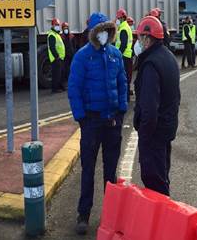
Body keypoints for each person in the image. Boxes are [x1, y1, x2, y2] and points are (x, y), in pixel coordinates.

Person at [68, 12, 128, 236]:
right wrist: (81, 117)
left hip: (112, 120)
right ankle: (83, 214)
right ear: (93, 33)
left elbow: (122, 82)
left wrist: (121, 110)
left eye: (107, 31)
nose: (104, 35)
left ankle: (110, 216)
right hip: (91, 121)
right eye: (99, 31)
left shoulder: (115, 54)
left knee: (110, 172)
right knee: (88, 169)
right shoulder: (82, 57)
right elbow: (73, 88)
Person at [133, 16, 180, 195]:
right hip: (166, 129)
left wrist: (144, 137)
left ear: (147, 38)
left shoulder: (150, 64)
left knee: (154, 182)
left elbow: (149, 108)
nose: (138, 42)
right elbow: (176, 96)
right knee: (162, 175)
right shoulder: (168, 57)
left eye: (139, 38)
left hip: (154, 133)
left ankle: (163, 221)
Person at [115, 9, 133, 101]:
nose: (117, 20)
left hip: (124, 57)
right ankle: (126, 98)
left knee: (123, 79)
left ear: (122, 18)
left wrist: (118, 55)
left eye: (118, 18)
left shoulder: (123, 29)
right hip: (127, 56)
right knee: (126, 78)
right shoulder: (125, 27)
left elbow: (123, 44)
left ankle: (125, 98)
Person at [48, 18, 65, 92]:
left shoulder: (56, 34)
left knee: (60, 73)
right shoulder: (52, 35)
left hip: (60, 58)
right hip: (56, 58)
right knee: (56, 74)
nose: (57, 26)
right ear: (52, 25)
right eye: (56, 25)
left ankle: (60, 86)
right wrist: (57, 56)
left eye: (58, 25)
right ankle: (55, 89)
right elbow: (52, 47)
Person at [60, 22, 76, 88]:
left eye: (66, 28)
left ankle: (72, 82)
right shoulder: (61, 37)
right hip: (65, 56)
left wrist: (74, 53)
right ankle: (65, 83)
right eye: (64, 28)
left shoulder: (71, 36)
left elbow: (74, 45)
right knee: (65, 70)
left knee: (71, 69)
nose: (65, 29)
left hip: (71, 55)